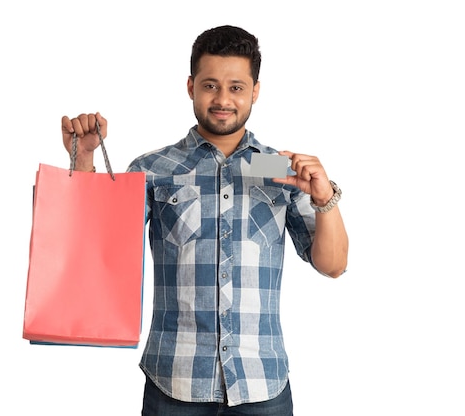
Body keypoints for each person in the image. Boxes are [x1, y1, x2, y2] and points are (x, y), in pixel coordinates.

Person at [61, 25, 348, 416]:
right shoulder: (154, 169)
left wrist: (324, 199)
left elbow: (333, 266)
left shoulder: (279, 169)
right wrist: (83, 159)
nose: (223, 99)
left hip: (261, 384)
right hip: (174, 383)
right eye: (210, 85)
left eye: (236, 87)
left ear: (255, 92)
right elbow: (98, 250)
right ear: (191, 86)